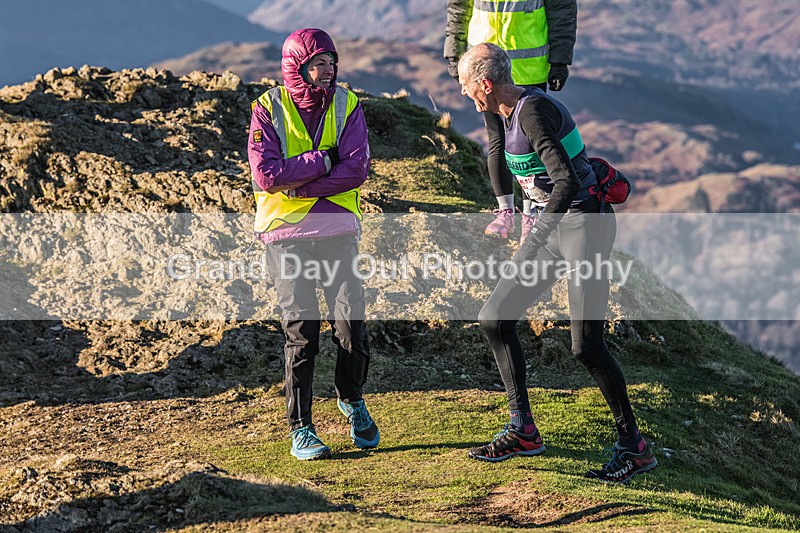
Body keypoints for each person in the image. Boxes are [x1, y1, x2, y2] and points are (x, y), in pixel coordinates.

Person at [457, 43, 657, 483]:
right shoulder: (501, 111)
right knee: (495, 317)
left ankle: (634, 447)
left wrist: (534, 238)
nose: (466, 96)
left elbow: (565, 181)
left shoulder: (533, 112)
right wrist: (510, 211)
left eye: (467, 88)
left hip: (585, 227)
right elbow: (505, 158)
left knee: (586, 345)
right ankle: (523, 429)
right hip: (554, 227)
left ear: (486, 84)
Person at [247, 28, 379, 461]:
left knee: (351, 328)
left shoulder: (348, 105)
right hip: (286, 238)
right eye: (318, 63)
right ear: (296, 67)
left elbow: (356, 169)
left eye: (331, 62)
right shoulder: (267, 108)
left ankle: (352, 399)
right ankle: (301, 428)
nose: (328, 70)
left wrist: (301, 184)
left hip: (338, 232)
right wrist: (323, 159)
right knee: (302, 335)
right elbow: (266, 175)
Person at [444, 0, 577, 242]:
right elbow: (459, 8)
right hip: (486, 70)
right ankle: (505, 211)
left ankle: (531, 215)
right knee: (498, 140)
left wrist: (560, 60)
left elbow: (561, 9)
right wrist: (455, 55)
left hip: (529, 68)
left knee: (531, 144)